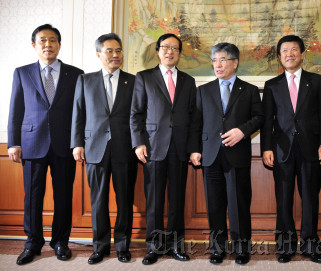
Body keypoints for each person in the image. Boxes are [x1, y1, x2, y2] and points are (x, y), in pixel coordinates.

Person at [7, 24, 84, 265]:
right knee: (32, 197)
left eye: (52, 40)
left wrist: (78, 142)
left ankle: (61, 241)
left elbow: (79, 112)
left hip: (65, 144)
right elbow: (15, 110)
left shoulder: (76, 74)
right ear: (34, 45)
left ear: (59, 45)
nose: (47, 44)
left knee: (63, 195)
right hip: (31, 143)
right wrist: (13, 143)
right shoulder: (22, 73)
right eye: (42, 40)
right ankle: (32, 243)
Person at [188, 42, 263, 265]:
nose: (218, 65)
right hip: (210, 156)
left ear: (235, 62)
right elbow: (196, 124)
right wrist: (194, 149)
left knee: (239, 204)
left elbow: (259, 117)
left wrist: (242, 131)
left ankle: (242, 248)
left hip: (237, 156)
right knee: (215, 204)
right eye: (214, 60)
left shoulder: (248, 90)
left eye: (222, 60)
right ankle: (218, 249)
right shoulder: (203, 90)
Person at [261, 35, 321, 264]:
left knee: (310, 199)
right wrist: (266, 148)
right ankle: (285, 246)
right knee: (283, 200)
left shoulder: (317, 81)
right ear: (279, 56)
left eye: (294, 50)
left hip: (311, 149)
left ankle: (311, 246)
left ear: (302, 54)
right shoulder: (272, 85)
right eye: (284, 51)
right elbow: (267, 121)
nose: (289, 54)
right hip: (281, 151)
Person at [70, 33, 137, 264]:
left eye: (118, 50)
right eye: (109, 51)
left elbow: (138, 116)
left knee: (124, 199)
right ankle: (99, 247)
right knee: (98, 200)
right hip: (94, 147)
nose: (115, 55)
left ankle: (122, 245)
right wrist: (77, 143)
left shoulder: (134, 81)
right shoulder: (85, 80)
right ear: (99, 54)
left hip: (125, 148)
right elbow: (77, 114)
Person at [130, 33, 196, 265]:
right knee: (154, 201)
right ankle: (154, 247)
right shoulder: (144, 78)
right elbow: (136, 113)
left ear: (179, 53)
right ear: (157, 51)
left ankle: (176, 246)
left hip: (179, 149)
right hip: (153, 148)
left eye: (175, 48)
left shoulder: (188, 81)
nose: (170, 52)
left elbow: (193, 117)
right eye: (166, 47)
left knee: (177, 201)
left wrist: (193, 148)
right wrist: (138, 142)